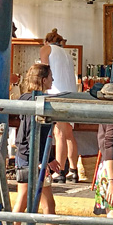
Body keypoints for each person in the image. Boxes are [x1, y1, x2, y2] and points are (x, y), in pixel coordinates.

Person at [12, 63, 88, 225]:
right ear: (43, 79)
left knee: (43, 203)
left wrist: (48, 159)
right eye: (51, 76)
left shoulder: (27, 99)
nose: (53, 80)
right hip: (31, 157)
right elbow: (30, 136)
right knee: (28, 202)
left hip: (31, 157)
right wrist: (41, 161)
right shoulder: (38, 102)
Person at [39, 29, 79, 182]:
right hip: (71, 94)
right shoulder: (67, 53)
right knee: (68, 134)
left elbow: (43, 70)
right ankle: (73, 170)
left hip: (56, 94)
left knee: (59, 134)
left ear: (46, 41)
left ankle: (60, 171)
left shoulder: (46, 49)